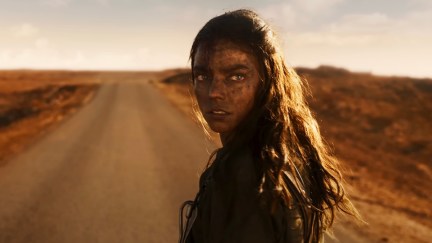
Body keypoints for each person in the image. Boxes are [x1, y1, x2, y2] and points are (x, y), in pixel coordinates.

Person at [179, 9, 360, 243]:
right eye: (203, 76)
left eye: (236, 76)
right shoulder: (285, 153)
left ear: (268, 81)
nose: (214, 92)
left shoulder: (249, 175)